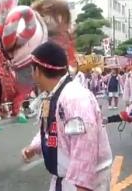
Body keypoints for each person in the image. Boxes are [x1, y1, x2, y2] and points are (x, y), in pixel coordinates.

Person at [21, 42, 112, 191]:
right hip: (64, 179)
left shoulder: (74, 98)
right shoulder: (54, 96)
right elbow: (51, 129)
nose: (32, 75)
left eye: (32, 70)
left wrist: (82, 187)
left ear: (37, 71)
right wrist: (34, 147)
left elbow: (85, 146)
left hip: (82, 183)